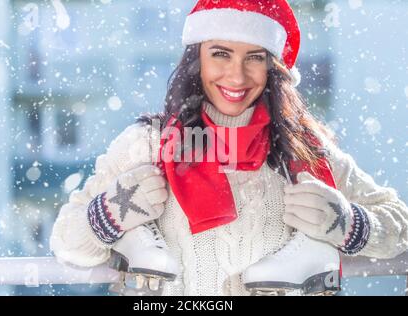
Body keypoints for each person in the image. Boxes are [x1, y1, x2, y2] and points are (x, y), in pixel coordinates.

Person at [50, 0, 408, 296]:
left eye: (255, 57)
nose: (237, 76)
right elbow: (67, 243)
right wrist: (110, 211)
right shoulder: (148, 144)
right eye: (221, 54)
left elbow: (400, 224)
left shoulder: (303, 152)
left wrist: (351, 224)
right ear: (197, 58)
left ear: (272, 67)